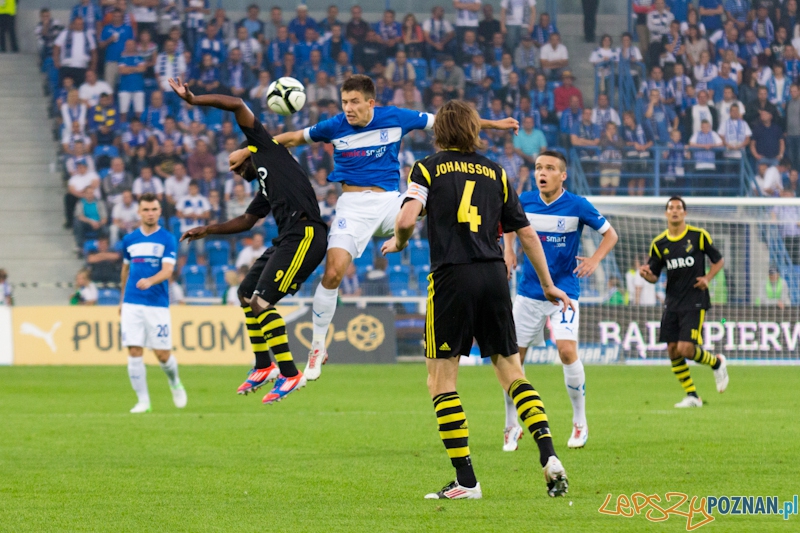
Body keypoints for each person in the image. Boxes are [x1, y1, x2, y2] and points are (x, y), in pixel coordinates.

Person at [380, 100, 570, 500]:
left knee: (441, 381)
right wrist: (549, 284)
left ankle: (467, 480)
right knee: (512, 372)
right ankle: (549, 455)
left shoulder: (427, 167)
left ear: (439, 132)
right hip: (494, 278)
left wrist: (397, 243)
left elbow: (404, 220)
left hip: (453, 278)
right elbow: (528, 234)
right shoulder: (496, 172)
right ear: (473, 131)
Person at [271, 74, 518, 381]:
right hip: (352, 206)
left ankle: (476, 245)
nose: (348, 108)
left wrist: (495, 124)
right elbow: (293, 137)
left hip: (390, 203)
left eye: (355, 102)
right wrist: (253, 149)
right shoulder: (333, 126)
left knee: (441, 198)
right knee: (333, 272)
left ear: (370, 102)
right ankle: (318, 348)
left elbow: (449, 120)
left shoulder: (396, 118)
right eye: (345, 101)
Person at [171, 77, 328, 404]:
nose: (232, 170)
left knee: (262, 303)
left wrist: (194, 100)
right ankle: (262, 366)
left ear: (247, 154)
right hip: (288, 238)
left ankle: (289, 373)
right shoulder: (265, 184)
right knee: (245, 294)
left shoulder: (267, 149)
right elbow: (247, 220)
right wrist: (207, 229)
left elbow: (237, 104)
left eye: (234, 163)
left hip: (306, 234)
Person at [502, 149, 617, 450]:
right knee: (514, 359)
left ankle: (580, 421)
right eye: (539, 167)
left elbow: (611, 235)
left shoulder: (577, 205)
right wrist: (509, 250)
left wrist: (594, 260)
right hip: (528, 292)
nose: (542, 172)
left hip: (564, 292)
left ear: (562, 175)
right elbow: (508, 225)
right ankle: (511, 425)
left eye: (550, 168)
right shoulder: (524, 201)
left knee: (566, 351)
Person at [638, 196, 729, 408]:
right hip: (672, 301)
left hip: (695, 300)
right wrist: (645, 275)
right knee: (672, 350)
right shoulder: (659, 243)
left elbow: (719, 260)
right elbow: (653, 275)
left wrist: (707, 278)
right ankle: (692, 396)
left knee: (686, 349)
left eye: (679, 208)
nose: (675, 211)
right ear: (666, 213)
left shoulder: (698, 236)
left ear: (685, 213)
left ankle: (717, 362)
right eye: (671, 208)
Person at [118, 192, 186, 413]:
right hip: (132, 302)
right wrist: (121, 300)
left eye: (154, 209)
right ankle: (143, 401)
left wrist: (150, 280)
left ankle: (174, 382)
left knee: (162, 355)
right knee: (134, 351)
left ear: (159, 211)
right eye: (146, 209)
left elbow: (168, 270)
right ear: (139, 212)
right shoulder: (129, 240)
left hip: (156, 303)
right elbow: (125, 271)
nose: (150, 213)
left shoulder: (166, 238)